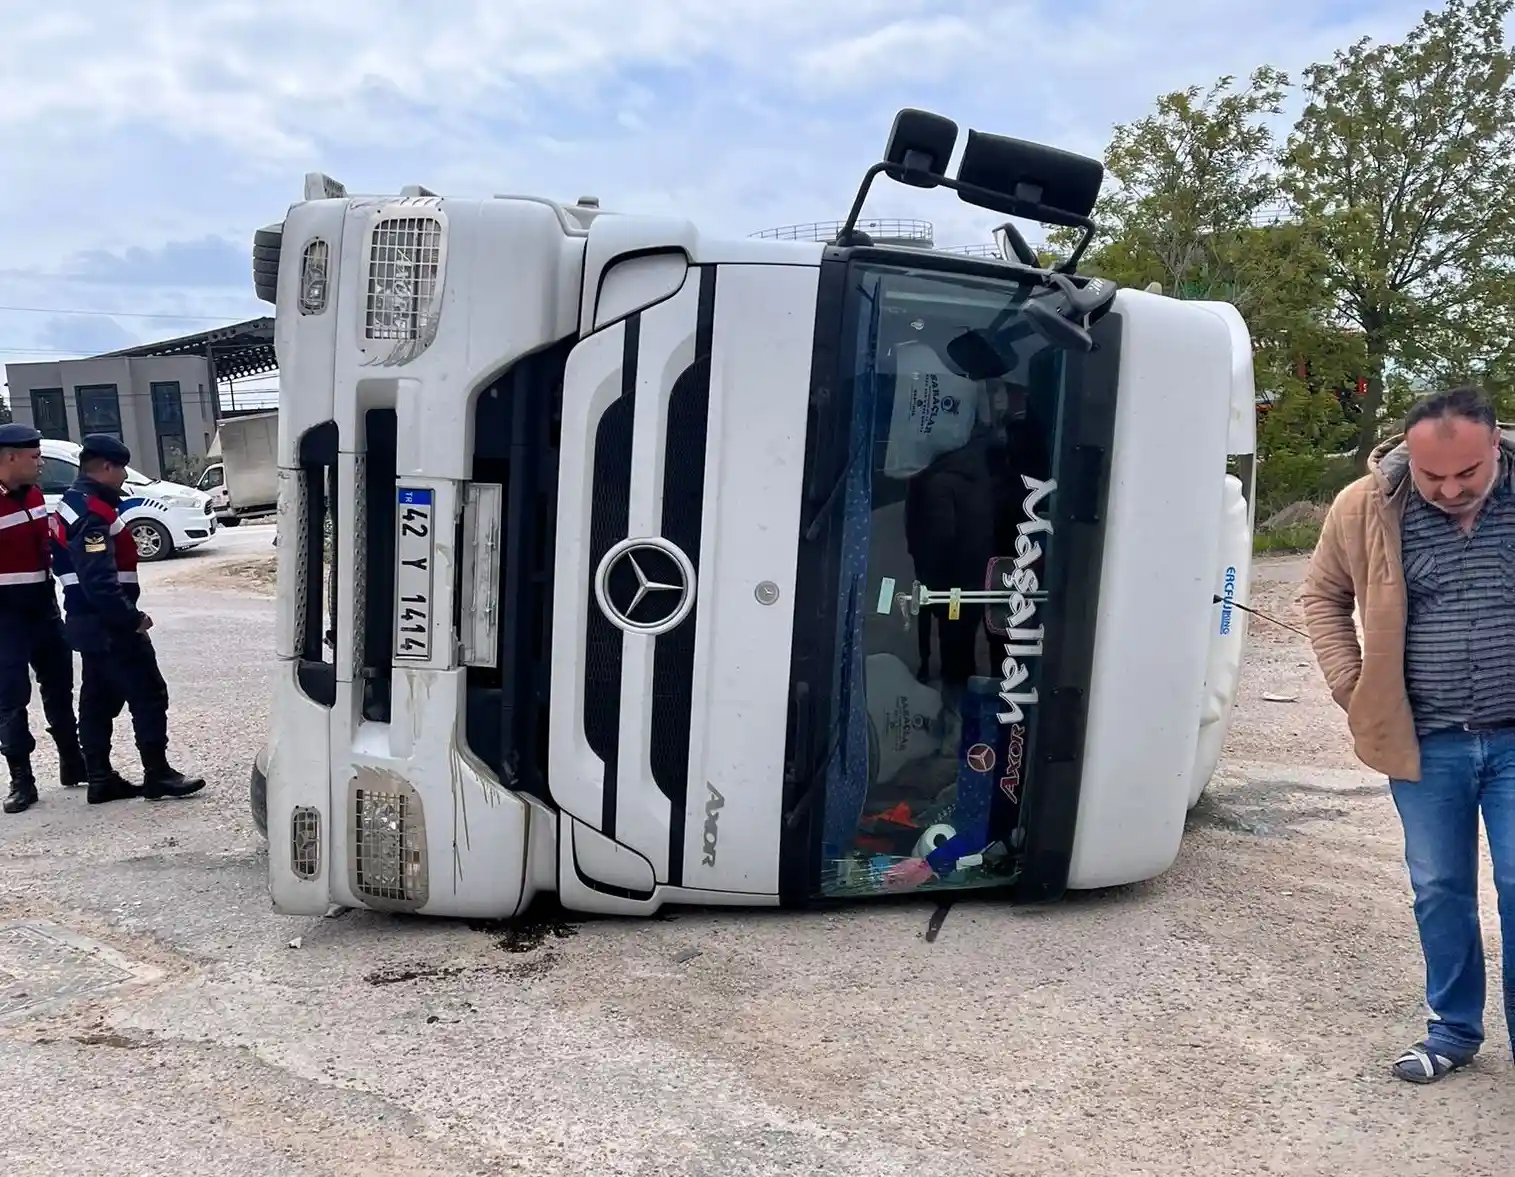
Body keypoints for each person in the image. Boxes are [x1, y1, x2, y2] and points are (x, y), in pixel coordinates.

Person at [1301, 385, 1515, 1085]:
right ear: (1407, 456)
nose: (1449, 489)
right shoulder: (1362, 506)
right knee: (1438, 887)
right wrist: (1350, 684)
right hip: (1426, 742)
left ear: (1495, 448)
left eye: (1466, 473)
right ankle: (1453, 1030)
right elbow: (1321, 594)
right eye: (1432, 476)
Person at [50, 434, 204, 804]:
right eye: (120, 469)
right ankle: (158, 774)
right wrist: (129, 619)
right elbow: (99, 580)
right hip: (107, 625)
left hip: (86, 622)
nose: (123, 477)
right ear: (105, 467)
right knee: (149, 693)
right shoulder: (92, 512)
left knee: (97, 700)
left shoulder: (72, 504)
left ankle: (101, 779)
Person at [0, 422, 87, 813]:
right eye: (34, 457)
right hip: (5, 615)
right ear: (10, 457)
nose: (40, 463)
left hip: (42, 604)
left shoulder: (34, 494)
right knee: (10, 699)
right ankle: (22, 779)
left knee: (59, 686)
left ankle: (72, 761)